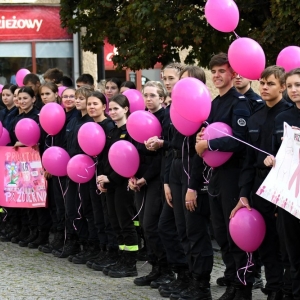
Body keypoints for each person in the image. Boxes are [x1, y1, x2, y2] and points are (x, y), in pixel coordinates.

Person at [231, 65, 293, 300]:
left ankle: (285, 289)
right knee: (266, 244)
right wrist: (244, 193)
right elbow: (247, 161)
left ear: (282, 87)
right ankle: (273, 288)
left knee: (284, 245)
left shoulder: (288, 115)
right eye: (262, 83)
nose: (264, 88)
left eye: (271, 84)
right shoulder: (255, 116)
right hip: (259, 187)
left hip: (283, 189)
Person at [195, 53, 253, 300]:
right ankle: (231, 280)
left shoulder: (239, 102)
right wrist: (201, 138)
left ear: (233, 74)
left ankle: (242, 287)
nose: (217, 75)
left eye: (222, 71)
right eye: (214, 71)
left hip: (234, 175)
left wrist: (208, 144)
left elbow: (239, 140)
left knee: (235, 233)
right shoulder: (215, 103)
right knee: (220, 232)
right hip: (216, 175)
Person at [143, 63, 188, 294]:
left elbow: (177, 146)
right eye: (165, 78)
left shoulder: (178, 110)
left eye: (171, 78)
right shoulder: (162, 113)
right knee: (154, 226)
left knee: (168, 227)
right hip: (165, 176)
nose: (168, 81)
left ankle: (177, 272)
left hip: (177, 176)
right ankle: (161, 268)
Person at [264, 67, 300, 300]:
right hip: (290, 196)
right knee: (293, 253)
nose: (294, 90)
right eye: (291, 86)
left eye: (299, 85)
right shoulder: (283, 118)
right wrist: (271, 160)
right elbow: (278, 153)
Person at [96, 94, 139, 278]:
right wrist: (102, 179)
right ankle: (122, 258)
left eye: (116, 109)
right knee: (115, 223)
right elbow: (107, 159)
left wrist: (111, 179)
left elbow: (127, 162)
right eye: (110, 109)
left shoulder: (131, 132)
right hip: (111, 184)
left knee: (126, 224)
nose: (112, 112)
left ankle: (130, 264)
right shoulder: (112, 132)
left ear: (126, 109)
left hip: (123, 185)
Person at [130, 81, 167, 286]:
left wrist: (145, 178)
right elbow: (133, 151)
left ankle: (165, 269)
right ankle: (155, 267)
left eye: (153, 95)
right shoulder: (140, 118)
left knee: (153, 225)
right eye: (146, 95)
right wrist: (132, 175)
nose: (149, 99)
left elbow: (161, 157)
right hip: (139, 178)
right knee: (144, 225)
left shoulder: (165, 118)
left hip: (156, 179)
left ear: (162, 98)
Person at [39, 87, 79, 254]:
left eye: (72, 96)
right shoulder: (58, 113)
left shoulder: (76, 117)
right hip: (56, 166)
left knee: (69, 207)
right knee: (57, 205)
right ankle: (59, 238)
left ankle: (70, 240)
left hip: (70, 167)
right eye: (66, 96)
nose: (68, 99)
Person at [85, 91, 118, 269]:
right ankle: (103, 249)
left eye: (95, 104)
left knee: (108, 217)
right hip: (93, 174)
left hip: (107, 176)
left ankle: (113, 252)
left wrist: (108, 177)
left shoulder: (109, 126)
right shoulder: (89, 126)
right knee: (97, 215)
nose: (91, 107)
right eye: (89, 104)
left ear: (103, 107)